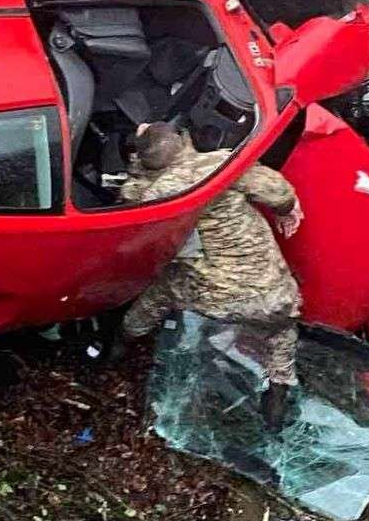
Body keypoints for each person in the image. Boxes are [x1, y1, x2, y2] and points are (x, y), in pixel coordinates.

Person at [118, 123, 303, 430]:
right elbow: (276, 190)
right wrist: (286, 209)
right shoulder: (218, 164)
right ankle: (278, 386)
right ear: (186, 138)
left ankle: (121, 341)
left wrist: (139, 158)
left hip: (210, 293)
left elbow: (130, 197)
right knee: (281, 324)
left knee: (159, 295)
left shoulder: (151, 193)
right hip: (267, 290)